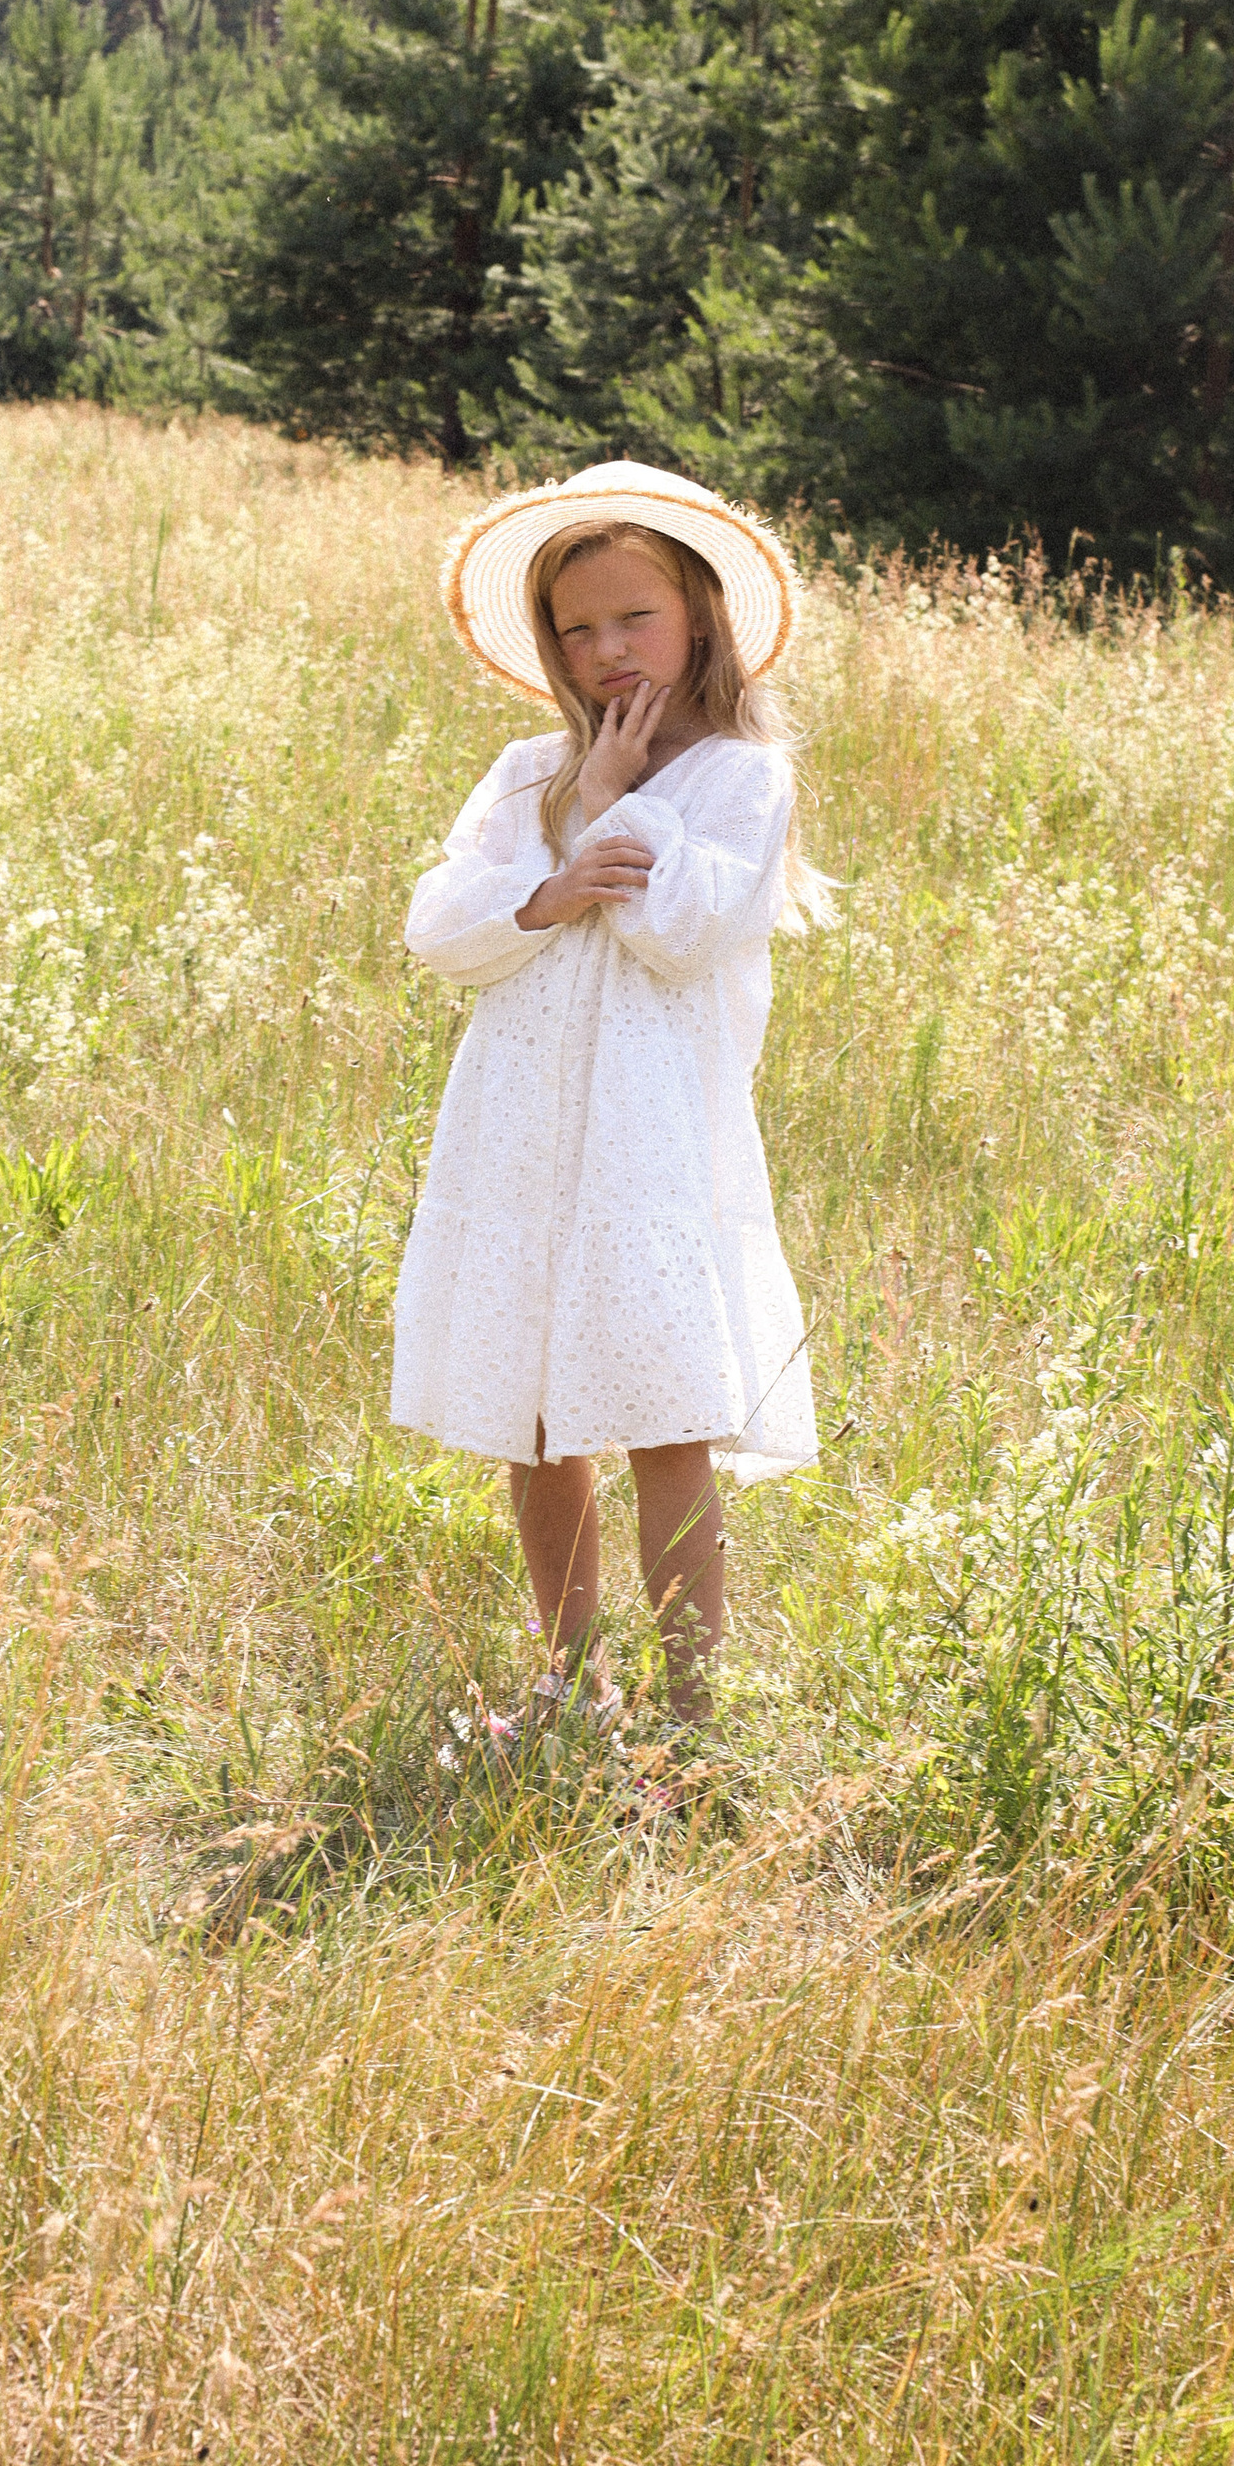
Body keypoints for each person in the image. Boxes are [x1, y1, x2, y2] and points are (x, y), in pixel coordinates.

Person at [390, 461, 829, 1738]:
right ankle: (567, 1681)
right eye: (577, 629)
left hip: (651, 1142)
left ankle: (689, 1710)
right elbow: (447, 930)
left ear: (698, 612)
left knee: (663, 1408)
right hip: (520, 1127)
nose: (607, 650)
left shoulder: (741, 778)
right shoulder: (528, 769)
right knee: (534, 1415)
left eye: (633, 617)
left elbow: (681, 933)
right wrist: (558, 853)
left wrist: (620, 813)